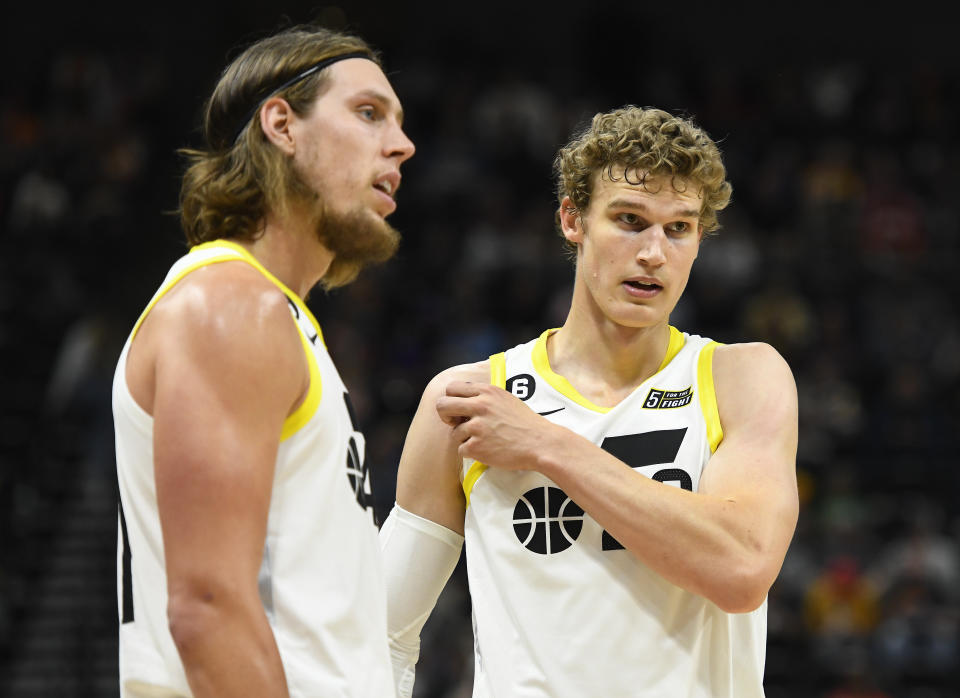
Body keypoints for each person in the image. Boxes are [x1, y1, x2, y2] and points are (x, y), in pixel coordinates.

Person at [380, 106, 799, 697]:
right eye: (630, 221)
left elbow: (742, 569)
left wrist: (547, 445)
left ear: (699, 240)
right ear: (573, 220)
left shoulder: (741, 376)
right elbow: (384, 635)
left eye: (678, 228)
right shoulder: (470, 400)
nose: (654, 252)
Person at [113, 25, 414, 697]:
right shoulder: (231, 305)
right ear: (281, 124)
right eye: (369, 114)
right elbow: (209, 608)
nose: (401, 144)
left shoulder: (273, 315)